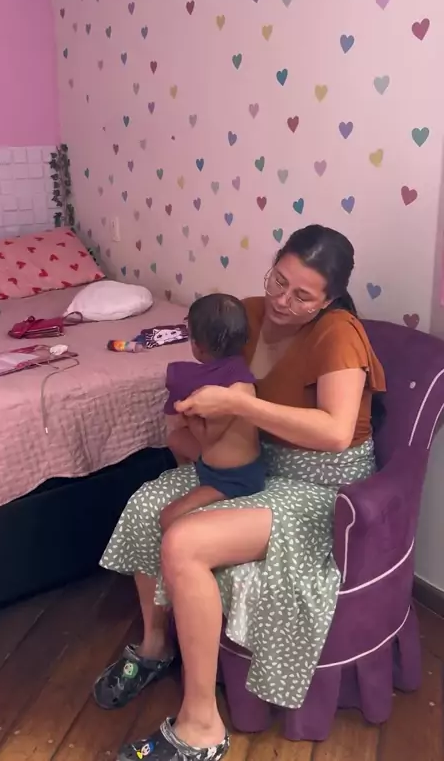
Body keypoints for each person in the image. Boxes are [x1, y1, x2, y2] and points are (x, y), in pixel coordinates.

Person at [95, 225, 386, 761]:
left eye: (302, 296)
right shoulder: (249, 315)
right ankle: (156, 647)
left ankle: (202, 726)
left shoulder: (338, 333)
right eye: (279, 280)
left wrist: (239, 406)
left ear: (329, 300)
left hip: (320, 482)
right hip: (257, 462)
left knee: (184, 541)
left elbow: (335, 431)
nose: (282, 300)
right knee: (147, 504)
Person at [160, 292, 266, 532]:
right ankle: (191, 474)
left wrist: (186, 410)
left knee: (168, 517)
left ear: (197, 346)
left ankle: (206, 492)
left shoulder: (234, 391)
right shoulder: (231, 370)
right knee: (175, 438)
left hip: (233, 479)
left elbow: (208, 437)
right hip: (212, 462)